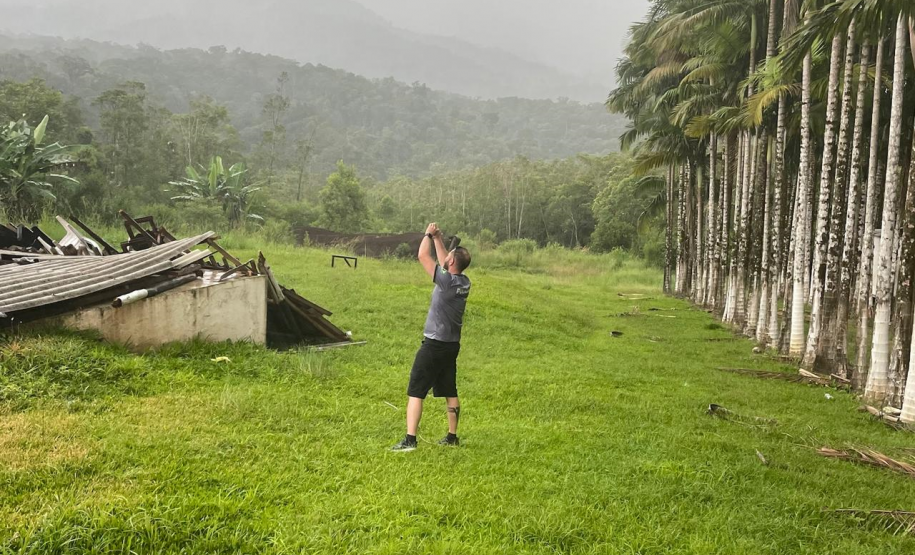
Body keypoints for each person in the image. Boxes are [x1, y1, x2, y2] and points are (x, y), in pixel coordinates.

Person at [392, 223, 472, 452]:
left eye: (449, 256)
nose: (446, 257)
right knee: (450, 390)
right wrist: (439, 238)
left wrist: (427, 234)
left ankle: (410, 440)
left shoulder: (445, 281)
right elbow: (445, 258)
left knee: (416, 391)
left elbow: (421, 255)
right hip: (451, 346)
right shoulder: (463, 282)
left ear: (452, 263)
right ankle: (452, 437)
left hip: (434, 345)